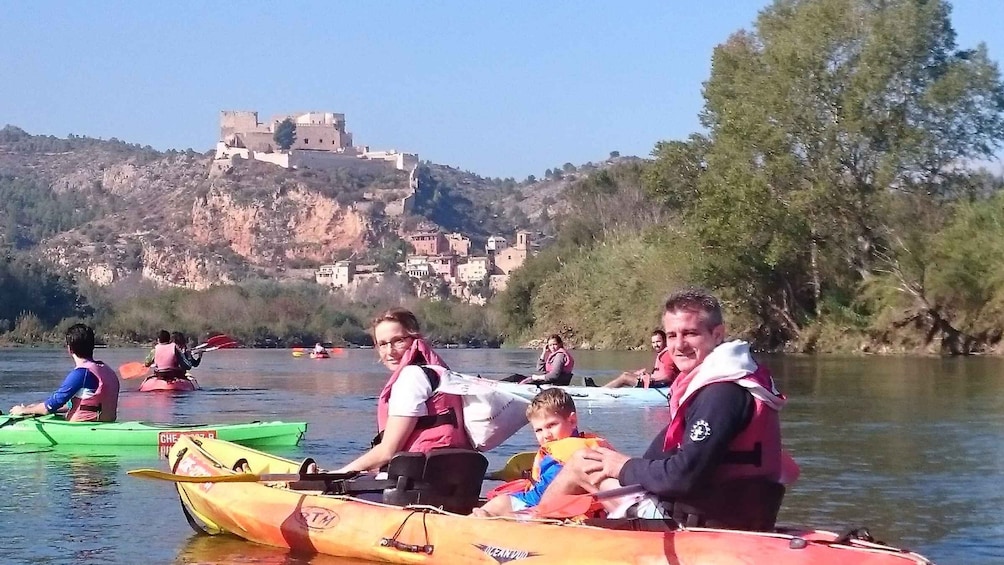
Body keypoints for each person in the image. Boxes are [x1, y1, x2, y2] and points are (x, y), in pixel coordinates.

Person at [536, 288, 794, 531]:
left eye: (690, 333)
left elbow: (682, 478)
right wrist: (622, 465)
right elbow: (658, 458)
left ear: (717, 334)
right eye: (672, 335)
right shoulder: (725, 383)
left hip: (698, 524)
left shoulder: (721, 394)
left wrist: (622, 466)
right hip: (728, 513)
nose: (678, 345)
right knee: (598, 460)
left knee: (581, 462)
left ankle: (530, 531)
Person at [322, 307, 472, 474]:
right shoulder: (442, 374)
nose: (390, 351)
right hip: (453, 481)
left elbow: (387, 452)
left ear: (415, 339)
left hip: (415, 486)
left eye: (398, 341)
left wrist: (335, 475)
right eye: (383, 344)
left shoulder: (412, 378)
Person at [473, 388, 610, 517]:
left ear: (572, 421)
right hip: (537, 502)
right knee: (499, 502)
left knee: (499, 503)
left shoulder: (583, 452)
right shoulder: (580, 447)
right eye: (539, 430)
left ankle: (471, 526)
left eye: (551, 425)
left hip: (539, 506)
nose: (546, 435)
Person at [9, 323, 120, 422]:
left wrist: (23, 410)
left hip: (83, 425)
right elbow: (78, 402)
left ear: (69, 349)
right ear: (93, 346)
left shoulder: (81, 374)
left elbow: (50, 407)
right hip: (106, 422)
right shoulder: (107, 370)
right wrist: (32, 408)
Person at [601, 329, 679, 389]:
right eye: (653, 342)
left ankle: (601, 391)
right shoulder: (663, 354)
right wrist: (646, 374)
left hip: (660, 385)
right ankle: (603, 389)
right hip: (656, 383)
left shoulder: (667, 355)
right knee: (627, 374)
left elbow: (669, 377)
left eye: (658, 342)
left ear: (665, 341)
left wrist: (652, 379)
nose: (656, 345)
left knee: (625, 377)